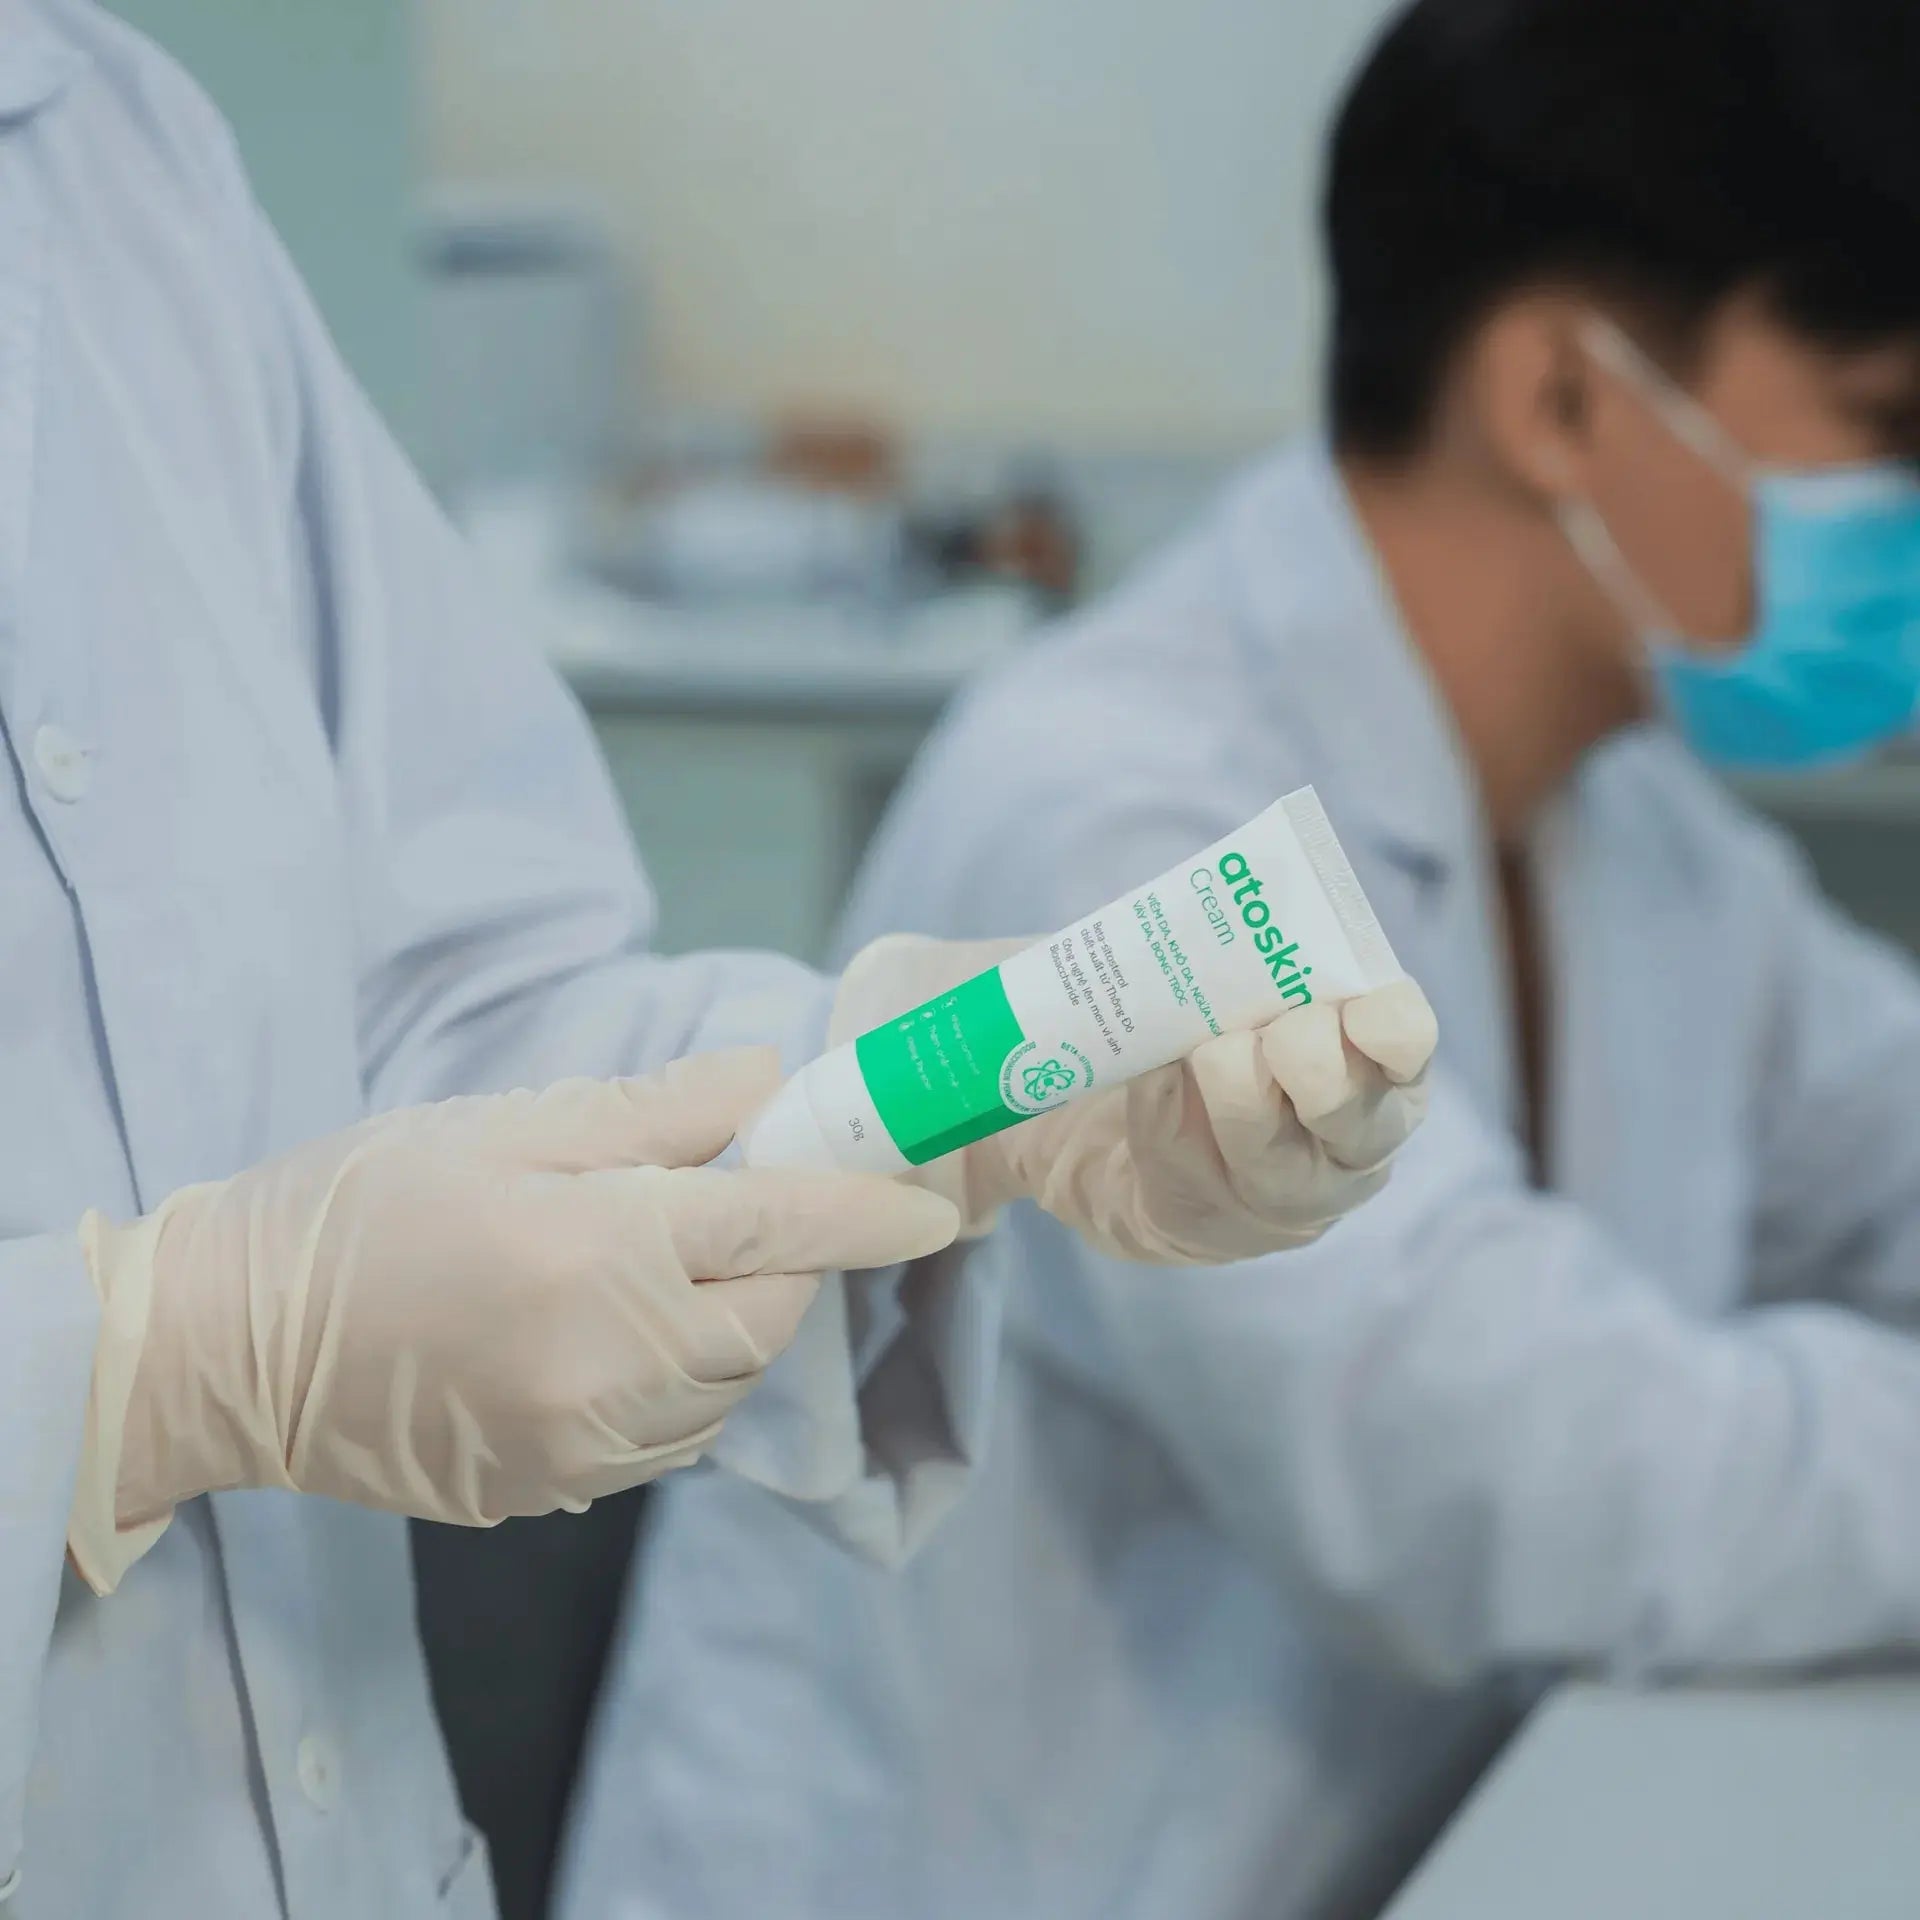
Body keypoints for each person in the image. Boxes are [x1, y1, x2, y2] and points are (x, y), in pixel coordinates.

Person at [0, 3, 1438, 1915]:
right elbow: (276, 1283)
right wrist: (126, 1375)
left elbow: (457, 1012)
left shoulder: (99, 145)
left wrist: (940, 1098)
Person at [558, 1, 1920, 1916]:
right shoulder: (1114, 819)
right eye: (1886, 433)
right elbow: (1501, 1475)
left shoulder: (1644, 835)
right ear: (1561, 401)